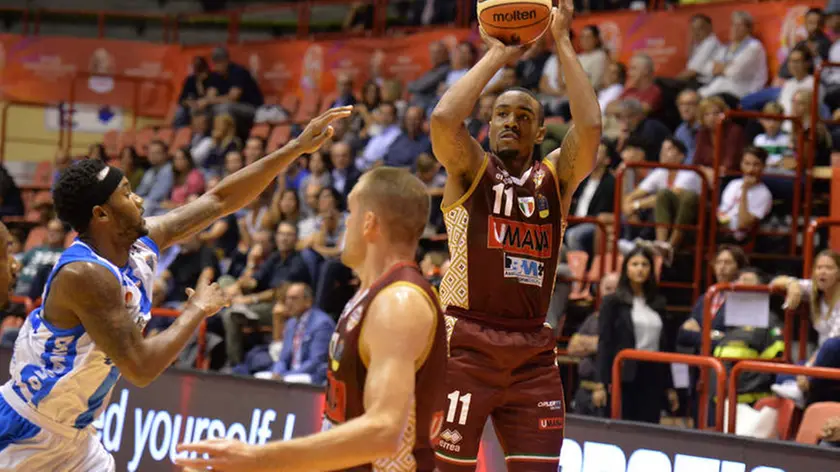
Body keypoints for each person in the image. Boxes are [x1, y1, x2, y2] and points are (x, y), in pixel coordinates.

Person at [0, 106, 352, 470]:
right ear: (101, 214)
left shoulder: (138, 243)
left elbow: (218, 201)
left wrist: (294, 148)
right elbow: (141, 367)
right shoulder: (86, 274)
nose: (138, 200)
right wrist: (197, 309)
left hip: (77, 435)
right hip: (27, 434)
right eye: (126, 194)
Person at [175, 167, 448, 471]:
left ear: (369, 222)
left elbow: (384, 432)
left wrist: (256, 459)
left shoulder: (399, 303)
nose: (346, 223)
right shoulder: (368, 296)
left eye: (350, 213)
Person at [429, 0, 600, 469]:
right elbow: (443, 120)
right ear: (487, 126)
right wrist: (498, 56)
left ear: (540, 130)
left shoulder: (555, 179)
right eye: (502, 114)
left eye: (523, 116)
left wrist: (562, 43)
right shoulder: (470, 169)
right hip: (466, 341)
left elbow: (590, 128)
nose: (510, 121)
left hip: (532, 353)